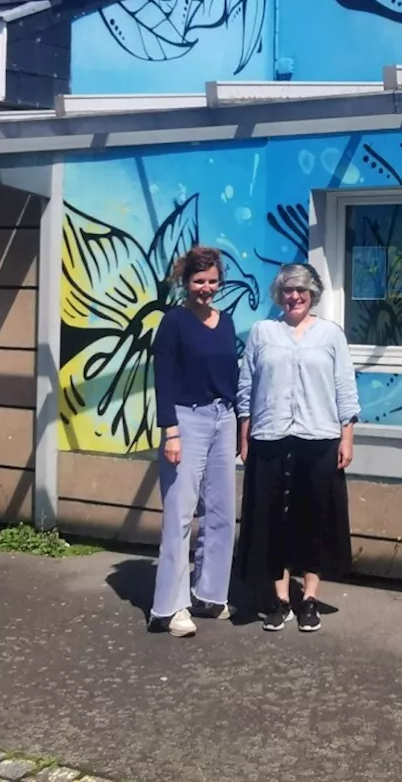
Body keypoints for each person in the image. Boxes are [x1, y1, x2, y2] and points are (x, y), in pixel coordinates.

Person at [236, 262, 359, 632]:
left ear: (312, 294)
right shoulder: (262, 332)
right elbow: (247, 386)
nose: (294, 296)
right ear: (279, 294)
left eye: (301, 290)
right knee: (271, 516)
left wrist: (347, 436)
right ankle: (279, 598)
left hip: (319, 437)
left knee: (314, 517)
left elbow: (344, 387)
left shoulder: (330, 334)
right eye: (288, 290)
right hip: (270, 436)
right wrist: (245, 432)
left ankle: (308, 598)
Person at [147, 246, 239, 637]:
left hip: (224, 418)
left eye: (212, 281)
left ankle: (209, 594)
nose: (206, 288)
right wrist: (170, 430)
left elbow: (233, 376)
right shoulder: (174, 322)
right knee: (180, 515)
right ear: (186, 283)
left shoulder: (229, 322)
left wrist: (239, 423)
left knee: (220, 513)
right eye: (199, 281)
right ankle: (171, 607)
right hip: (186, 420)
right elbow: (163, 379)